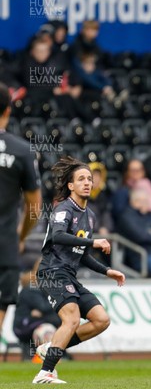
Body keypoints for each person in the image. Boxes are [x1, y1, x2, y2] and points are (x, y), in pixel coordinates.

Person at [32, 156, 125, 384]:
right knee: (72, 318)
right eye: (81, 179)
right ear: (71, 185)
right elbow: (58, 236)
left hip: (69, 274)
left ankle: (50, 348)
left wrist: (107, 271)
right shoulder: (63, 208)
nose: (87, 182)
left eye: (90, 179)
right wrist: (94, 243)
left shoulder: (90, 217)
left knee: (101, 320)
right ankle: (45, 372)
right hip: (52, 271)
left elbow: (81, 254)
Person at [0, 83, 42, 344]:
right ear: (8, 109)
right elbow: (35, 208)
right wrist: (21, 235)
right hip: (4, 246)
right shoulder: (21, 150)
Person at [116, 189, 151, 277]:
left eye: (146, 201)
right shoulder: (126, 216)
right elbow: (140, 236)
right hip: (141, 256)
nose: (145, 203)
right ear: (133, 201)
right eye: (142, 201)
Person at [13, 258, 61, 359]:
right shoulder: (32, 287)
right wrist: (56, 303)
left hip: (35, 321)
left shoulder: (47, 287)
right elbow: (44, 306)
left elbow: (45, 307)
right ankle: (44, 356)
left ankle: (55, 354)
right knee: (51, 324)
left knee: (60, 319)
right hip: (23, 326)